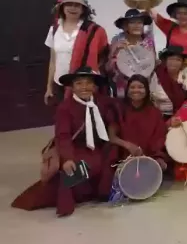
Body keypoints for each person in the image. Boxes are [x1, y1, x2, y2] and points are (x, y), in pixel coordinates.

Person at [12, 67, 117, 217]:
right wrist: (67, 158)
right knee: (73, 170)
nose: (84, 87)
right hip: (75, 148)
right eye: (79, 83)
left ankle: (103, 193)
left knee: (110, 159)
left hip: (97, 147)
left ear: (94, 86)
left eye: (88, 83)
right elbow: (63, 136)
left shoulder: (101, 102)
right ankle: (66, 206)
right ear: (72, 87)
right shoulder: (65, 107)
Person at [44, 0, 109, 104]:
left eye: (77, 5)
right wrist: (49, 87)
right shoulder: (54, 29)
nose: (73, 8)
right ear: (62, 7)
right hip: (59, 85)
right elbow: (53, 61)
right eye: (69, 4)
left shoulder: (93, 31)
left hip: (83, 87)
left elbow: (103, 58)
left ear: (83, 9)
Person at [109, 75, 168, 168]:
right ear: (127, 90)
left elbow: (159, 139)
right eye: (132, 87)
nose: (136, 90)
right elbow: (111, 137)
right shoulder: (119, 109)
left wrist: (158, 158)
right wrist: (128, 145)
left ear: (147, 90)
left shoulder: (155, 112)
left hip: (148, 159)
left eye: (140, 87)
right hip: (123, 159)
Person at [107, 9, 155, 98]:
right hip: (122, 86)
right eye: (132, 22)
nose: (137, 26)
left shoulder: (148, 41)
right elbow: (108, 69)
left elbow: (151, 64)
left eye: (140, 22)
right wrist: (114, 52)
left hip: (143, 84)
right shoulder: (117, 41)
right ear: (125, 26)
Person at [149, 2, 187, 67]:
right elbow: (155, 15)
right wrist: (147, 3)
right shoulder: (170, 27)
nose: (182, 16)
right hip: (171, 67)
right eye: (179, 13)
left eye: (185, 13)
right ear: (175, 15)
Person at [150, 46, 187, 120]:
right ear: (165, 61)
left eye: (178, 60)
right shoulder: (158, 74)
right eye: (171, 59)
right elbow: (152, 96)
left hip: (182, 114)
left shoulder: (186, 72)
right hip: (160, 115)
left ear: (182, 62)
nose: (174, 63)